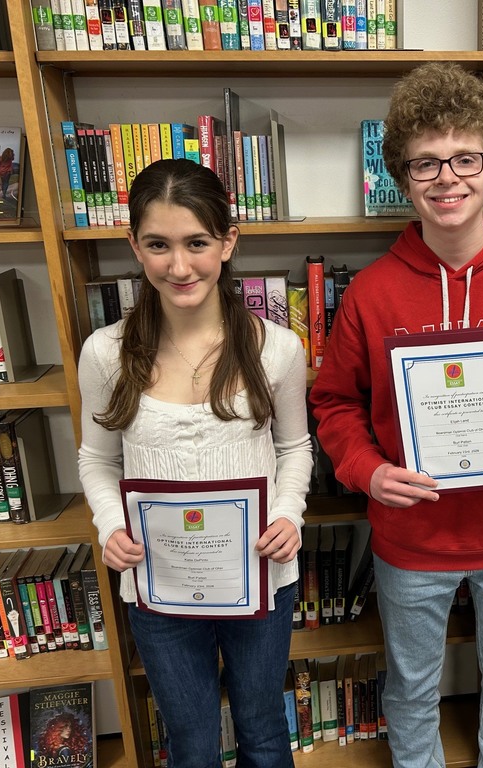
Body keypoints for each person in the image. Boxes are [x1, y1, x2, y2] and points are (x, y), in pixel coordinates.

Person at [309, 61, 483, 768]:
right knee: (410, 685)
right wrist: (368, 472)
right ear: (402, 178)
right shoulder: (372, 293)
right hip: (413, 535)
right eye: (426, 162)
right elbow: (336, 402)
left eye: (465, 158)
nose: (448, 178)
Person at [77, 158, 312, 768]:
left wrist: (288, 514)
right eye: (158, 245)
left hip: (259, 574)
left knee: (263, 732)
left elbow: (294, 449)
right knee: (190, 742)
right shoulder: (105, 353)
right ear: (134, 245)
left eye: (197, 243)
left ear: (228, 242)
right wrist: (110, 526)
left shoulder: (278, 348)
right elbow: (96, 459)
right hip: (160, 585)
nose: (179, 266)